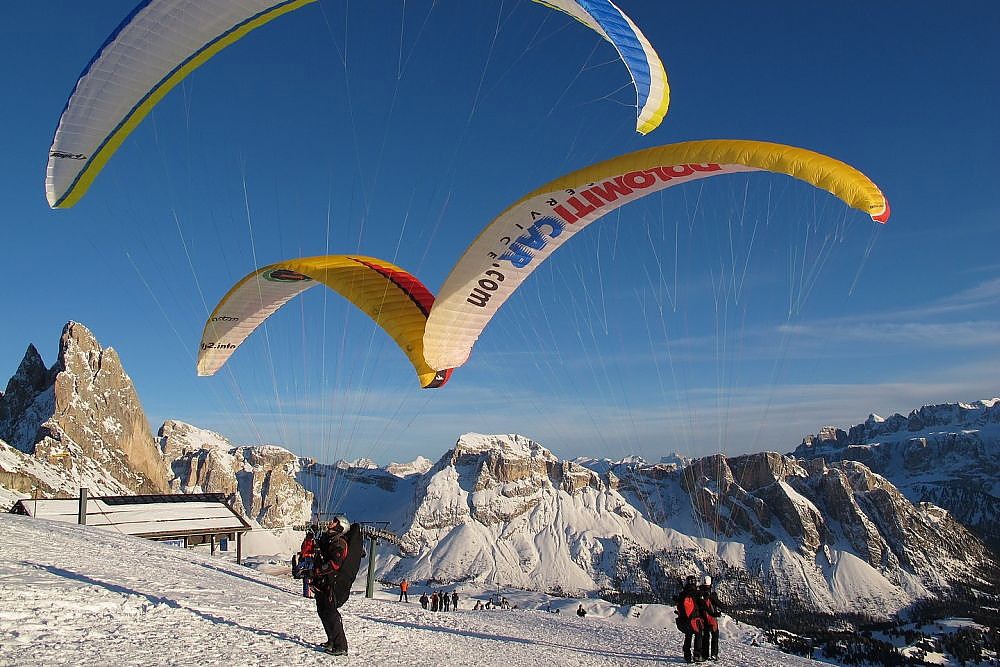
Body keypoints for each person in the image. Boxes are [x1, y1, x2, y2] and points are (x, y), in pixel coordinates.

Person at [311, 516, 351, 656]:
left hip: (331, 584)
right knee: (322, 612)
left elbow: (335, 564)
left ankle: (341, 646)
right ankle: (331, 640)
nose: (330, 522)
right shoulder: (328, 540)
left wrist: (318, 570)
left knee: (331, 614)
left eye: (335, 522)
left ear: (340, 527)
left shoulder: (339, 543)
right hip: (322, 582)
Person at [675, 575, 705, 663]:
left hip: (684, 620)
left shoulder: (682, 594)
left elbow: (679, 605)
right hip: (695, 619)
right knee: (698, 635)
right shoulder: (697, 593)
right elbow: (702, 605)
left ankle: (687, 655)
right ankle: (697, 654)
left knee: (688, 636)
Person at [696, 576, 722, 662]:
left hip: (702, 619)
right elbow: (719, 604)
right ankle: (714, 654)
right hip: (711, 618)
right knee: (715, 635)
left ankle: (704, 654)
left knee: (705, 637)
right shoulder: (711, 595)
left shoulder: (698, 593)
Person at [298, 530, 316, 598]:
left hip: (306, 558)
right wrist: (310, 554)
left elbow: (303, 550)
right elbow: (305, 550)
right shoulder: (309, 542)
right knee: (309, 576)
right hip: (308, 559)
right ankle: (308, 594)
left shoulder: (306, 541)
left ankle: (307, 593)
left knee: (307, 576)